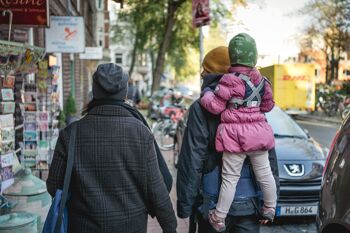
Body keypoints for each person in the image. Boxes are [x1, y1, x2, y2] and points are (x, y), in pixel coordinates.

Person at [47, 63, 177, 233]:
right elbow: (156, 190)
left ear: (94, 91)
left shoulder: (70, 134)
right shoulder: (141, 132)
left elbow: (54, 185)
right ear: (124, 92)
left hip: (83, 226)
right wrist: (170, 227)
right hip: (131, 227)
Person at [176, 46, 279, 233]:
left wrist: (185, 204)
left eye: (204, 70)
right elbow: (267, 152)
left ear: (209, 73)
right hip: (248, 205)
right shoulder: (254, 100)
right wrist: (268, 203)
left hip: (212, 203)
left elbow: (192, 159)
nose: (201, 73)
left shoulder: (201, 106)